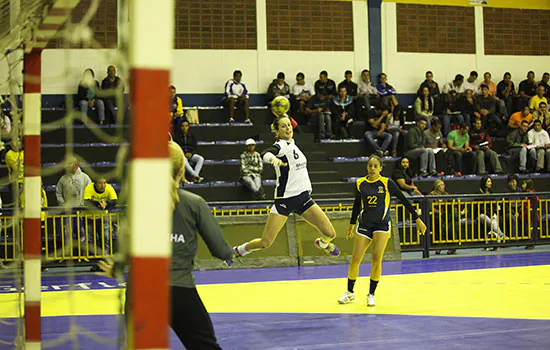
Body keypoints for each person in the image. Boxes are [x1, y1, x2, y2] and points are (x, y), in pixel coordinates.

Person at [99, 141, 233, 349]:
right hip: (179, 290)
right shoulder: (194, 203)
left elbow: (126, 247)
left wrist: (116, 267)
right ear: (182, 171)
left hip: (139, 292)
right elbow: (220, 250)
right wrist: (234, 252)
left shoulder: (138, 201)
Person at [231, 116, 341, 260]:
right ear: (277, 131)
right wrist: (273, 159)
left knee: (330, 234)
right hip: (285, 200)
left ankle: (322, 244)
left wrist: (286, 116)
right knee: (265, 243)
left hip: (303, 199)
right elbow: (266, 153)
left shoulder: (293, 144)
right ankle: (237, 251)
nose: (288, 128)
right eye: (283, 126)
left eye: (289, 125)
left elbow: (294, 126)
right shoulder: (281, 145)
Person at [338, 155, 426, 306]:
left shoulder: (386, 183)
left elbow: (403, 199)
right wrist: (352, 224)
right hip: (364, 224)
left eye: (375, 166)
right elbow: (357, 204)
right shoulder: (360, 183)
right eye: (370, 166)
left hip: (382, 225)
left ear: (380, 168)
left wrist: (416, 218)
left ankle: (371, 294)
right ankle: (350, 292)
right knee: (355, 259)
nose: (372, 169)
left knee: (376, 259)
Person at [84, 176, 118, 261]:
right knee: (91, 239)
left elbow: (115, 200)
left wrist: (106, 203)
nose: (102, 185)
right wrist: (98, 203)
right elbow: (86, 201)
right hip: (89, 217)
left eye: (104, 183)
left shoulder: (109, 188)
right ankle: (94, 259)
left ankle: (105, 259)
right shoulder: (89, 187)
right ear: (95, 183)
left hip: (103, 217)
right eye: (100, 183)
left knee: (105, 238)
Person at [478, 176, 506, 251]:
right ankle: (502, 236)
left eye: (490, 181)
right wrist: (489, 214)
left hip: (490, 214)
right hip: (481, 215)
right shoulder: (479, 193)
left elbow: (494, 206)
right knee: (492, 222)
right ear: (484, 183)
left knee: (494, 221)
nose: (490, 183)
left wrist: (494, 214)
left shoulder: (491, 193)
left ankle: (497, 241)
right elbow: (480, 208)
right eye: (488, 181)